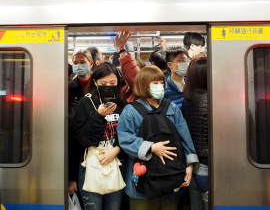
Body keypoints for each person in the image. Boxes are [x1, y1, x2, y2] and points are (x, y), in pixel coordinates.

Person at [117, 66, 198, 210]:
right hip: (142, 179)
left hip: (172, 175)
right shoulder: (131, 111)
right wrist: (152, 148)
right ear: (143, 84)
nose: (159, 86)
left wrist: (190, 164)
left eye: (161, 82)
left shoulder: (171, 108)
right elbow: (125, 139)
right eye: (155, 83)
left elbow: (185, 137)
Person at [71, 62, 126, 210]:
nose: (108, 85)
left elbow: (129, 134)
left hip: (116, 164)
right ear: (95, 82)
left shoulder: (122, 104)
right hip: (90, 164)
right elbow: (81, 139)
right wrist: (99, 116)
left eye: (112, 82)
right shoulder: (86, 103)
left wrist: (116, 150)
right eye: (103, 83)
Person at [181, 57, 208, 209]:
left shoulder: (187, 99)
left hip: (192, 162)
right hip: (209, 161)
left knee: (195, 204)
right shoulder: (215, 99)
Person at [68, 49, 94, 198]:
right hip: (76, 141)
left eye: (82, 62)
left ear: (90, 64)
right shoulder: (68, 88)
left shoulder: (99, 86)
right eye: (75, 63)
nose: (78, 66)